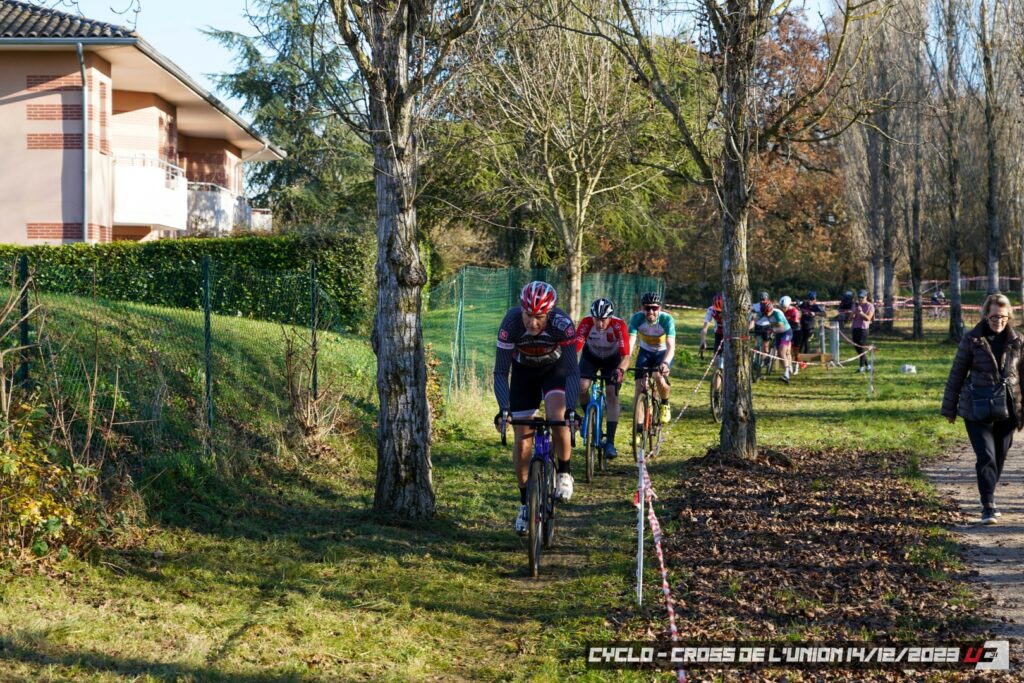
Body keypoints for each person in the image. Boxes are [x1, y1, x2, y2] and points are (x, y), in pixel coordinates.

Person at [494, 281, 580, 535]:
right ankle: (524, 504)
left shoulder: (562, 324)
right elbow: (501, 371)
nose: (532, 323)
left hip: (555, 370)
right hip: (524, 372)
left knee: (558, 416)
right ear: (521, 310)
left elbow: (573, 371)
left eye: (539, 317)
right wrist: (504, 408)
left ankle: (564, 473)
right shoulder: (510, 324)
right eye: (528, 315)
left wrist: (572, 409)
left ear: (549, 314)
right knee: (522, 440)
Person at [942, 293, 1024, 524]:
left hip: (1008, 408)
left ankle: (989, 493)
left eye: (1003, 317)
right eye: (994, 317)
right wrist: (949, 408)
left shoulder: (1018, 341)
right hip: (976, 407)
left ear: (1009, 316)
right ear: (986, 316)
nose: (999, 321)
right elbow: (957, 374)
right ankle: (988, 505)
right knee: (986, 456)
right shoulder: (972, 339)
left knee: (999, 456)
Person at [575, 297, 631, 459]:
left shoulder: (618, 325)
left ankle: (610, 442)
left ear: (610, 317)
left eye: (603, 320)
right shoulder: (586, 323)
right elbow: (574, 348)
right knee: (581, 386)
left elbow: (626, 356)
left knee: (611, 394)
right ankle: (589, 418)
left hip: (612, 360)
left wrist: (620, 370)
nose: (600, 324)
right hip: (591, 357)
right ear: (592, 317)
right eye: (597, 319)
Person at [628, 292, 676, 429]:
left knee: (658, 377)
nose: (650, 311)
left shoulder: (667, 319)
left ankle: (665, 403)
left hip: (662, 352)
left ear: (659, 308)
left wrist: (665, 363)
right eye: (647, 308)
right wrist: (626, 360)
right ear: (642, 308)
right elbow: (630, 343)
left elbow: (671, 346)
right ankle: (639, 426)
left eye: (654, 308)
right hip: (645, 352)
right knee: (639, 386)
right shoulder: (637, 319)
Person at [754, 297, 794, 383]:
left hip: (786, 332)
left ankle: (786, 374)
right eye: (765, 313)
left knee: (782, 352)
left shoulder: (777, 314)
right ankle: (787, 369)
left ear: (771, 309)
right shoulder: (764, 312)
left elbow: (781, 328)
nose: (767, 315)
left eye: (768, 313)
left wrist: (772, 330)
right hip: (777, 332)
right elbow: (756, 321)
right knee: (780, 354)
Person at [699, 292, 726, 398]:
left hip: (731, 335)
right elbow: (704, 329)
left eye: (721, 312)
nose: (719, 314)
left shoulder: (731, 311)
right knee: (717, 365)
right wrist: (703, 341)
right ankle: (716, 394)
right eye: (717, 311)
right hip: (718, 335)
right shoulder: (711, 310)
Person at [851, 289, 874, 372]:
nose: (860, 299)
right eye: (859, 297)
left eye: (862, 297)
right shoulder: (855, 305)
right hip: (855, 328)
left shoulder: (870, 306)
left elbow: (868, 318)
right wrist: (854, 312)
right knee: (857, 347)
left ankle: (861, 367)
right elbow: (851, 317)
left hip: (863, 329)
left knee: (861, 347)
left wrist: (861, 313)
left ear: (866, 297)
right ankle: (868, 366)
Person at [780, 295, 801, 372]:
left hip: (796, 331)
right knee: (788, 350)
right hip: (787, 332)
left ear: (789, 305)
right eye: (782, 307)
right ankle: (789, 365)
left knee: (796, 351)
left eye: (785, 307)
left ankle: (797, 363)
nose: (784, 309)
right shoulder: (782, 311)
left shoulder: (794, 311)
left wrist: (786, 321)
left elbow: (796, 322)